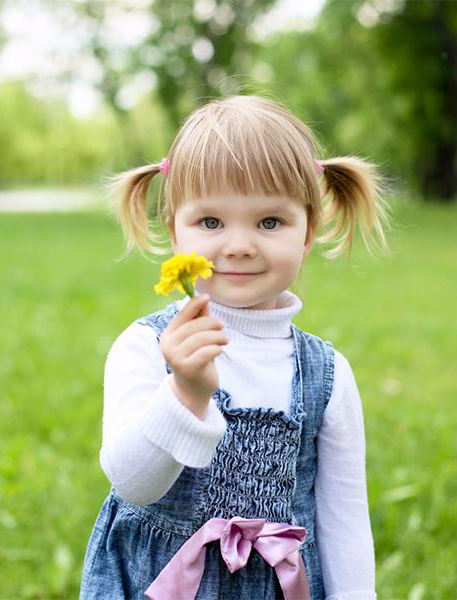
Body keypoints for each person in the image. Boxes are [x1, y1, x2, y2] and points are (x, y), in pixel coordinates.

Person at [79, 95, 391, 600]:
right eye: (210, 222)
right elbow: (133, 485)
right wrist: (185, 393)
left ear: (308, 233)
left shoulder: (327, 374)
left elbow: (345, 522)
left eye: (270, 222)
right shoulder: (145, 348)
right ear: (174, 227)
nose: (239, 244)